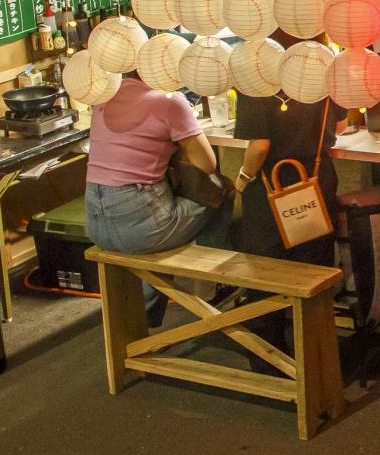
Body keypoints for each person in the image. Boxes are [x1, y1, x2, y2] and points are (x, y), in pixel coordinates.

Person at [232, 45, 346, 361]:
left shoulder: (255, 80)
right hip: (314, 181)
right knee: (313, 270)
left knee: (266, 272)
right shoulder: (322, 69)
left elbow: (259, 147)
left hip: (271, 187)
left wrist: (242, 179)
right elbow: (341, 126)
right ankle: (317, 357)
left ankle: (270, 359)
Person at [83, 72, 226, 323]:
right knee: (220, 195)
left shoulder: (103, 93)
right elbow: (208, 163)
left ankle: (147, 311)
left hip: (95, 225)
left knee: (160, 211)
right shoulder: (170, 101)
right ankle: (209, 289)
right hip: (142, 228)